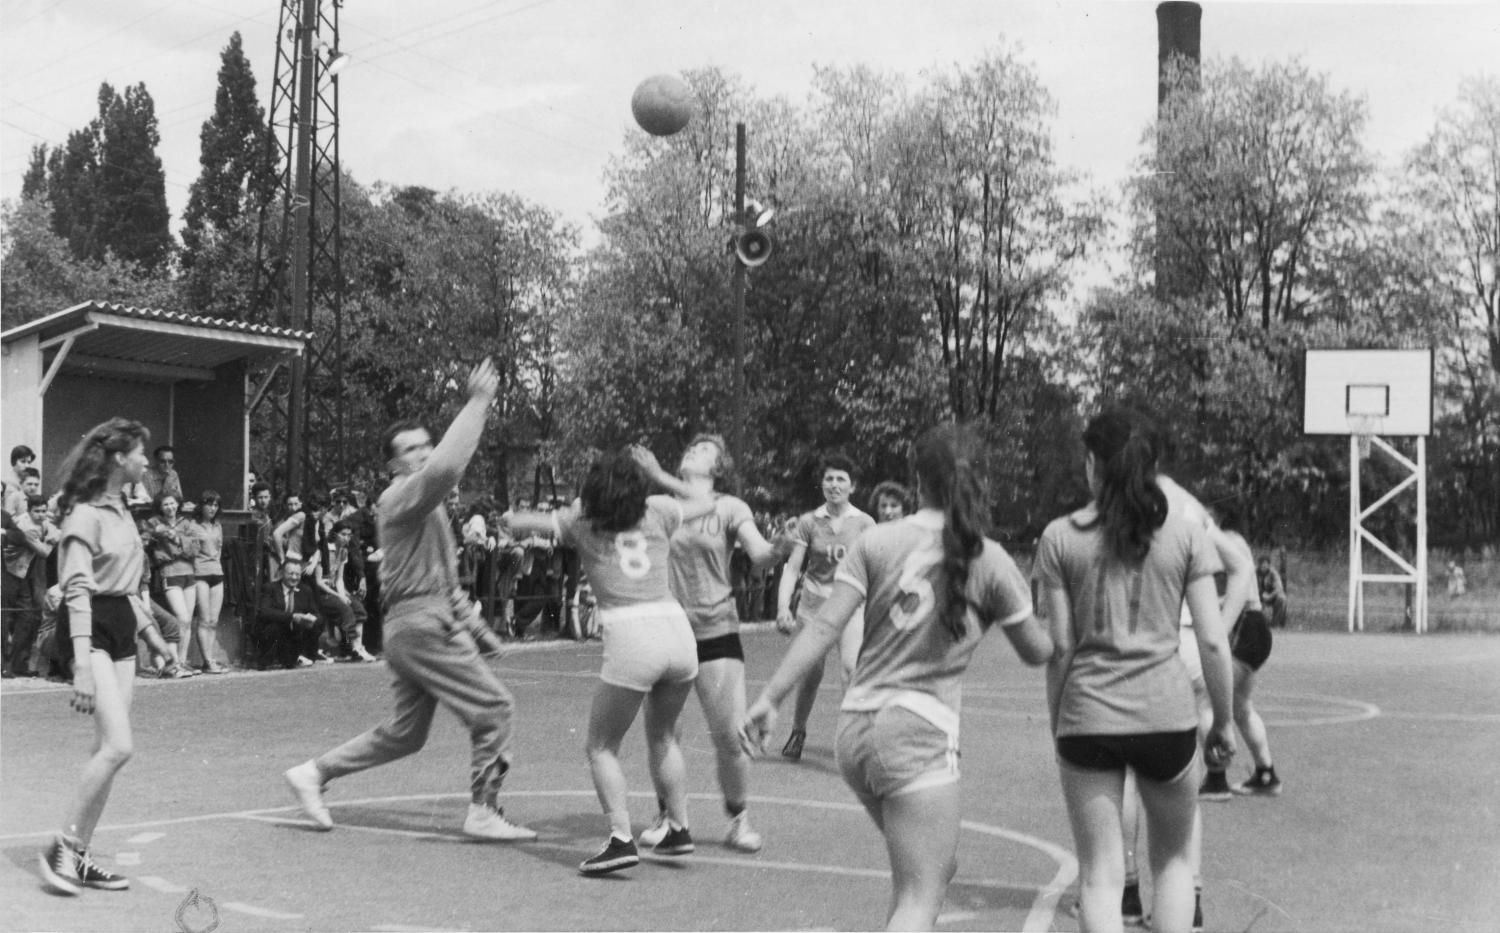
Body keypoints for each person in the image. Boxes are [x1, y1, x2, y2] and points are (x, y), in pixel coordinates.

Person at [741, 424, 1053, 931]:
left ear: (917, 479)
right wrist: (1066, 627)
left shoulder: (878, 540)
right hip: (916, 732)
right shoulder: (987, 558)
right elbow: (1038, 651)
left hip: (857, 729)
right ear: (979, 482)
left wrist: (771, 698)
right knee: (920, 896)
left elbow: (823, 625)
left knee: (925, 874)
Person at [282, 358, 537, 843]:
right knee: (496, 709)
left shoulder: (430, 508)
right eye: (410, 450)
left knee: (406, 733)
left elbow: (447, 580)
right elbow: (446, 466)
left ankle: (312, 773)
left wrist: (480, 631)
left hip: (413, 626)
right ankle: (483, 810)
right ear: (393, 465)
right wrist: (479, 401)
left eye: (425, 444)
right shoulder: (401, 496)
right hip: (421, 626)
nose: (422, 454)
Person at [1035, 410, 1236, 933]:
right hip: (1166, 716)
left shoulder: (1059, 537)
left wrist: (1060, 720)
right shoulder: (1187, 535)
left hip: (1088, 714)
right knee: (1172, 864)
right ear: (1152, 467)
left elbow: (1060, 648)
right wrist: (1225, 721)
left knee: (1100, 876)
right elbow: (1213, 641)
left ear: (1091, 465)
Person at [502, 444, 715, 875]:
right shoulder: (658, 510)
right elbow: (706, 502)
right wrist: (658, 471)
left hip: (632, 635)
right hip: (677, 630)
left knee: (601, 746)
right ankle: (679, 827)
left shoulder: (583, 521)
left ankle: (620, 839)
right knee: (665, 738)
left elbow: (515, 522)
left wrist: (572, 506)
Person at [632, 434, 786, 854]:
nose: (691, 450)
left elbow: (759, 553)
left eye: (703, 451)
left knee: (729, 735)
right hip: (667, 629)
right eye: (690, 447)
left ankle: (738, 818)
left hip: (715, 627)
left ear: (718, 469)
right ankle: (667, 814)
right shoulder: (663, 505)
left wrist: (779, 550)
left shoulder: (731, 506)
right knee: (663, 733)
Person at [37, 417, 153, 896]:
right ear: (119, 458)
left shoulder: (122, 510)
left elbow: (124, 583)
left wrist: (153, 633)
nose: (148, 460)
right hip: (89, 629)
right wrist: (82, 663)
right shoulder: (84, 514)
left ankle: (80, 856)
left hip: (122, 625)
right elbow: (79, 590)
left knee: (107, 748)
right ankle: (59, 848)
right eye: (141, 452)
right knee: (119, 746)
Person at [774, 454, 875, 760]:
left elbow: (875, 569)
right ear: (822, 485)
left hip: (850, 606)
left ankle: (854, 742)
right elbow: (792, 569)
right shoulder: (809, 522)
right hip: (814, 608)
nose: (834, 485)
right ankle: (798, 730)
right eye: (829, 479)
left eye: (841, 479)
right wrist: (782, 607)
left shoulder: (864, 523)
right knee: (811, 675)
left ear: (852, 486)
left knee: (850, 668)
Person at [1215, 503, 1280, 798]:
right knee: (1241, 708)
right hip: (1255, 628)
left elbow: (1233, 589)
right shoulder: (1233, 541)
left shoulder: (1223, 539)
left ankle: (1215, 778)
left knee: (1210, 697)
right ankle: (1266, 773)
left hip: (1247, 625)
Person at [142, 493, 199, 672]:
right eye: (165, 504)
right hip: (170, 572)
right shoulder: (153, 522)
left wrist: (176, 539)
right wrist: (159, 534)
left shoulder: (186, 523)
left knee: (188, 620)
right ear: (160, 507)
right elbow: (146, 537)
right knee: (181, 618)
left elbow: (195, 548)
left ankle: (182, 662)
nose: (169, 507)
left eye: (172, 503)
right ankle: (173, 663)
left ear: (178, 505)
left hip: (189, 573)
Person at [255, 557, 326, 668]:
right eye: (291, 574)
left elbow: (317, 614)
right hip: (276, 634)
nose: (294, 577)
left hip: (294, 635)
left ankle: (302, 655)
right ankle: (266, 660)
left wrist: (311, 619)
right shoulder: (270, 588)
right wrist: (292, 616)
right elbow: (265, 612)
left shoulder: (305, 590)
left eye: (297, 574)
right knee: (273, 627)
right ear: (283, 573)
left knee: (316, 625)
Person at [187, 491, 230, 673]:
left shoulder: (218, 526)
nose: (212, 508)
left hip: (217, 573)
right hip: (200, 574)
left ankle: (210, 659)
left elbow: (219, 550)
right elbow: (190, 551)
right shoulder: (192, 525)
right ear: (201, 506)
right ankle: (208, 661)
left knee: (214, 620)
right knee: (204, 620)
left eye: (215, 505)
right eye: (209, 504)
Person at [1257, 555, 1288, 628]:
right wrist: (1260, 594)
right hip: (1258, 595)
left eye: (1265, 564)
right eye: (1262, 564)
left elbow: (1279, 588)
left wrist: (1269, 596)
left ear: (1269, 565)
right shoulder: (1254, 572)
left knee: (1282, 599)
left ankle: (1274, 624)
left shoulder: (1273, 573)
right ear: (1259, 565)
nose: (1263, 566)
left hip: (1272, 595)